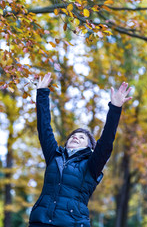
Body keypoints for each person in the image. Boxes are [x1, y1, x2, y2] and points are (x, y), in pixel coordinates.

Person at [28, 72, 132, 227]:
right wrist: (42, 93)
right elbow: (44, 128)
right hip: (40, 221)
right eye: (73, 136)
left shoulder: (92, 165)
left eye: (81, 138)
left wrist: (115, 108)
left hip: (72, 223)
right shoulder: (54, 156)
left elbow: (106, 142)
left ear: (89, 147)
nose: (75, 137)